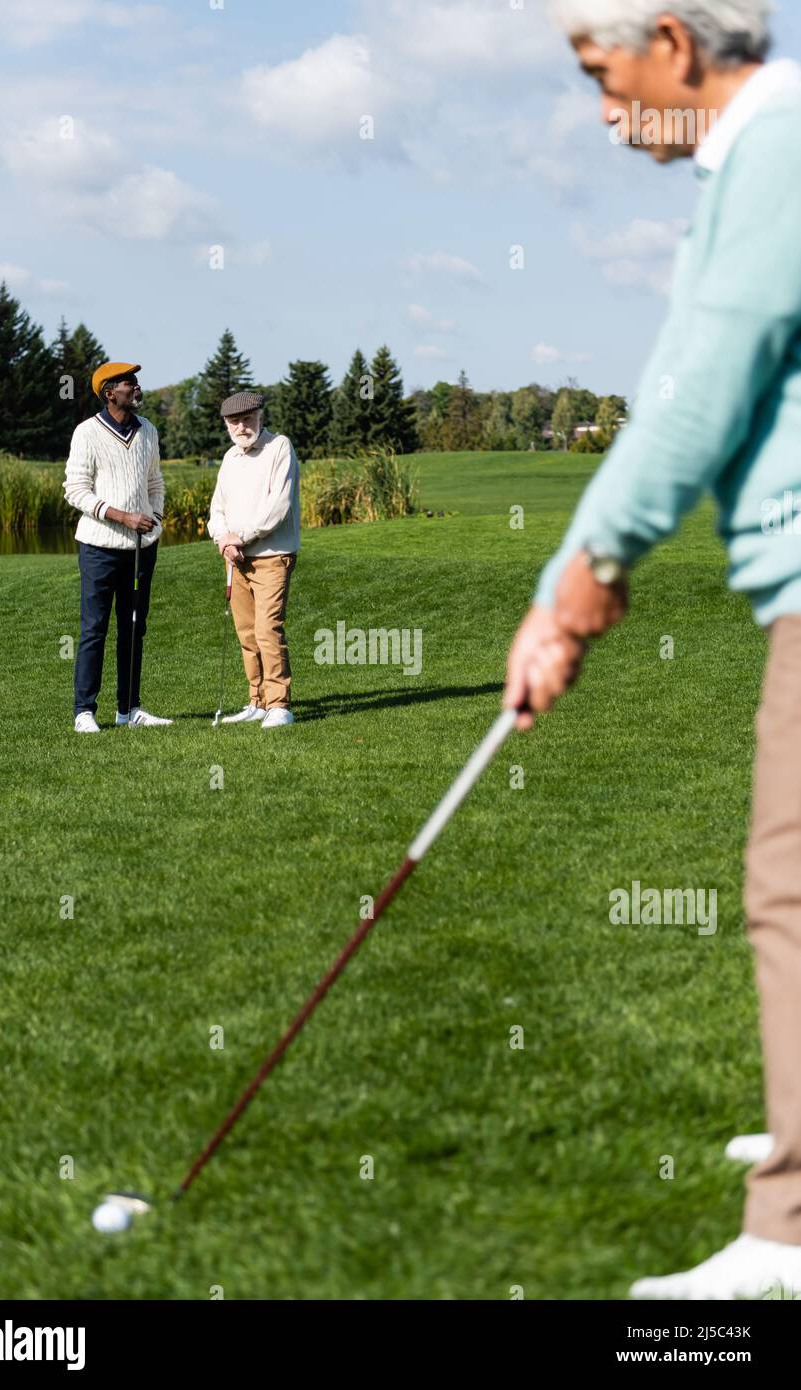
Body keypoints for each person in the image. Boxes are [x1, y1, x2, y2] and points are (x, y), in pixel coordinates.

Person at [505, 0, 801, 1299]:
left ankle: (786, 1230)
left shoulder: (776, 144)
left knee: (788, 892)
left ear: (670, 43)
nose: (601, 103)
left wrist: (578, 579)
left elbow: (696, 383)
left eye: (597, 69)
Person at [64, 361, 172, 732]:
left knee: (133, 626)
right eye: (129, 383)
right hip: (99, 547)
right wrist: (124, 517)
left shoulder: (149, 432)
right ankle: (84, 712)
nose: (137, 387)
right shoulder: (87, 433)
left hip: (143, 547)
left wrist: (153, 517)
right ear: (109, 393)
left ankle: (129, 710)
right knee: (95, 628)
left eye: (136, 381)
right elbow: (75, 490)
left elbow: (155, 482)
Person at [207, 391, 300, 729]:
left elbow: (278, 507)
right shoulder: (230, 458)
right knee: (246, 633)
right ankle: (257, 701)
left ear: (261, 417)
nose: (241, 426)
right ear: (227, 424)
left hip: (273, 556)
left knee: (267, 629)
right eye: (235, 421)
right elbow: (216, 509)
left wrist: (240, 536)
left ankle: (279, 704)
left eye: (248, 419)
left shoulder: (279, 448)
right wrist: (223, 540)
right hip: (236, 558)